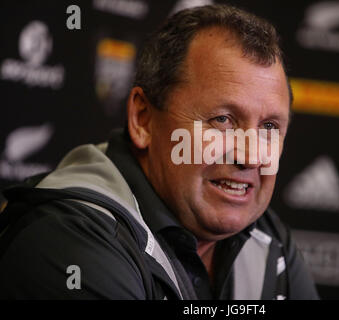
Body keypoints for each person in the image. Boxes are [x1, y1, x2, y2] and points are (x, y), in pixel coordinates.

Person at [0, 4, 318, 300]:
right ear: (143, 120)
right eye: (223, 120)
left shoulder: (268, 239)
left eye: (270, 127)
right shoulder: (68, 239)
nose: (250, 157)